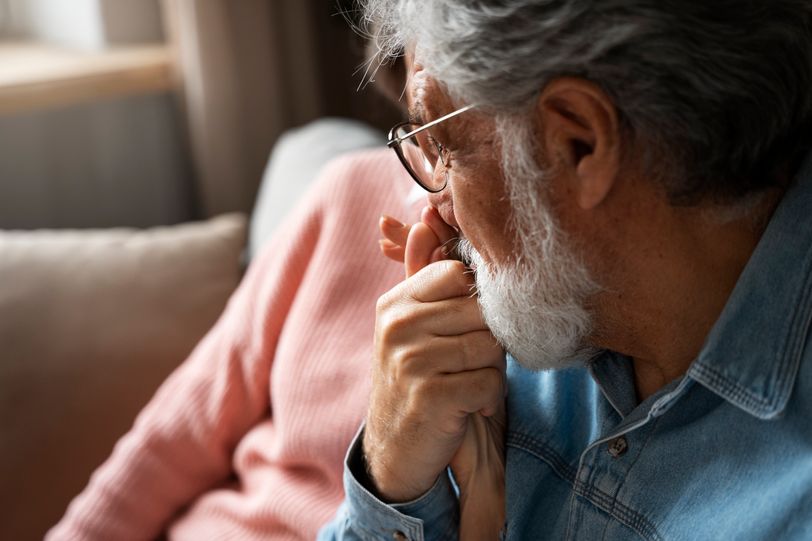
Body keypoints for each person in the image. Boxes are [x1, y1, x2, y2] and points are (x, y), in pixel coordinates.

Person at [319, 1, 812, 539]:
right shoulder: (524, 321)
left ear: (579, 143)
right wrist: (391, 473)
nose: (431, 209)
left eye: (444, 147)